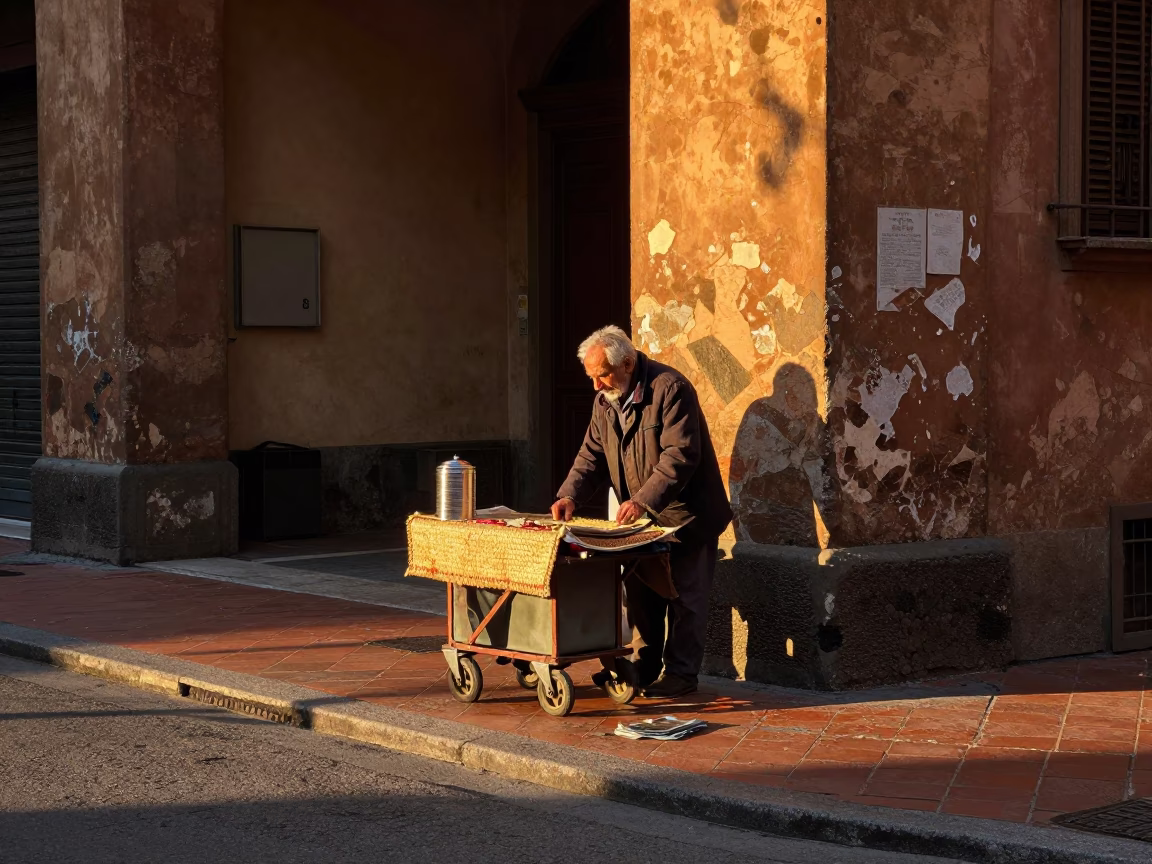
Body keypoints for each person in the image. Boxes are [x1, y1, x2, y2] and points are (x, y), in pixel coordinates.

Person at [551, 325, 733, 699]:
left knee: (686, 599)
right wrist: (570, 494)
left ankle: (681, 676)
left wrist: (643, 501)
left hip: (686, 516)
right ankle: (644, 669)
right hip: (643, 519)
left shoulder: (670, 388)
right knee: (641, 594)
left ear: (629, 363)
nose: (596, 386)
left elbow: (680, 455)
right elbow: (592, 455)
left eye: (602, 375)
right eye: (591, 377)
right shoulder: (604, 401)